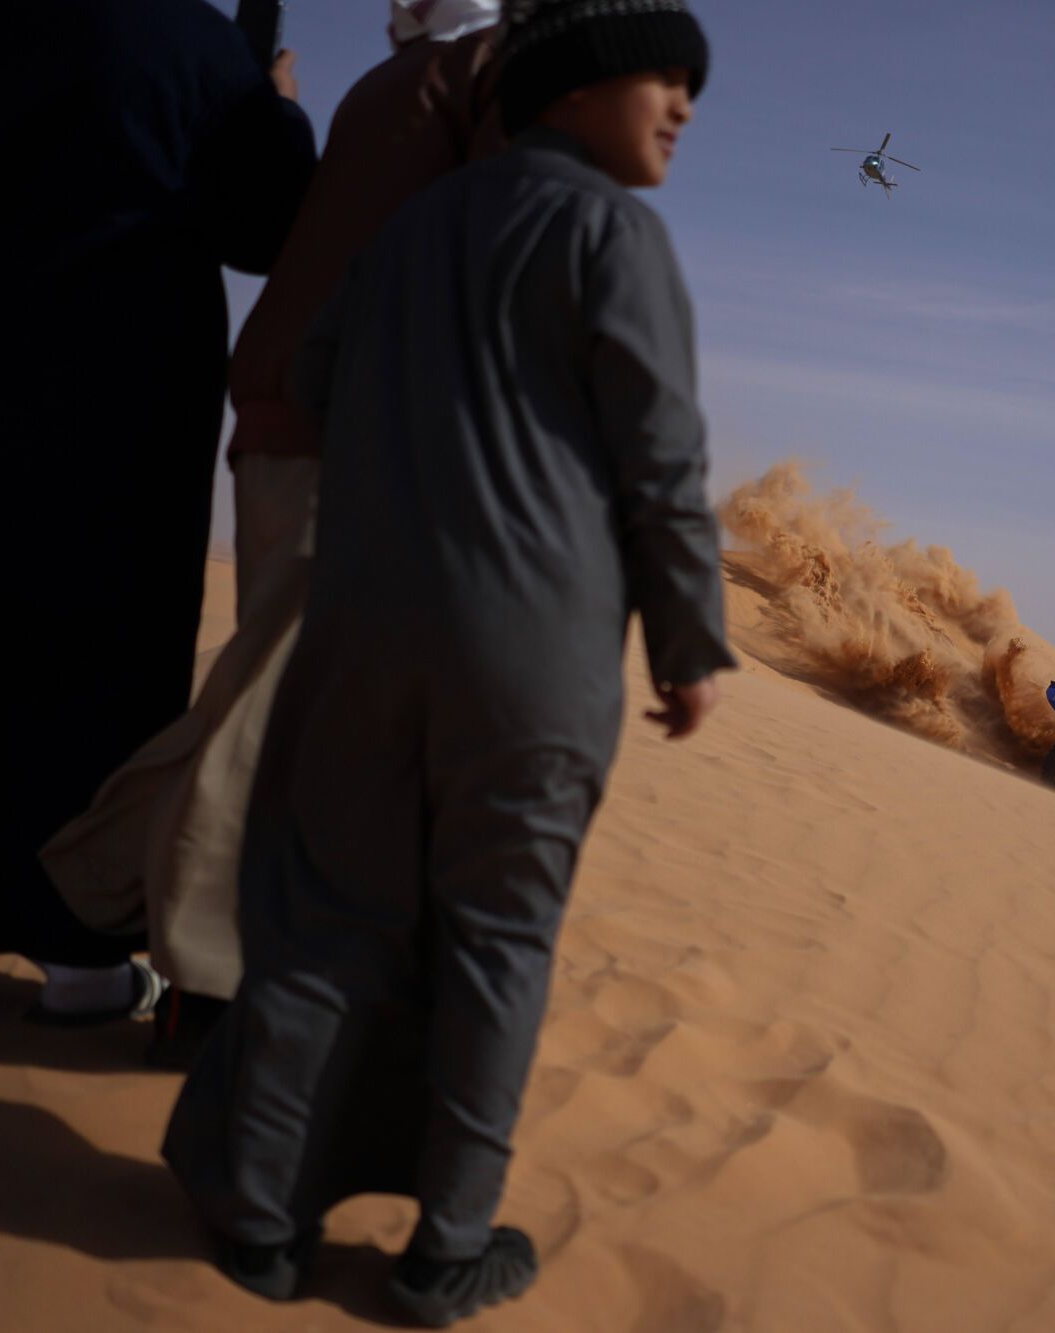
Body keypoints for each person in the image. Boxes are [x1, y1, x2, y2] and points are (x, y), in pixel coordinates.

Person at [162, 0, 729, 1322]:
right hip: (533, 658)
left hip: (364, 633)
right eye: (665, 76)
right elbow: (663, 454)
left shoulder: (409, 229)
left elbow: (316, 357)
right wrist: (691, 642)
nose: (687, 105)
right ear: (569, 90)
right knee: (500, 941)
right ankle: (446, 1245)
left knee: (322, 920)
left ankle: (259, 1219)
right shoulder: (616, 232)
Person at [0, 0, 316, 1026]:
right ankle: (81, 963)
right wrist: (272, 109)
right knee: (94, 660)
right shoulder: (175, 38)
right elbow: (263, 220)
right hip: (100, 407)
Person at [42, 0, 506, 1071]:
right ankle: (184, 961)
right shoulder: (494, 72)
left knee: (277, 689)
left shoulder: (388, 85)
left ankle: (139, 907)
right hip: (364, 426)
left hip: (282, 415)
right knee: (285, 711)